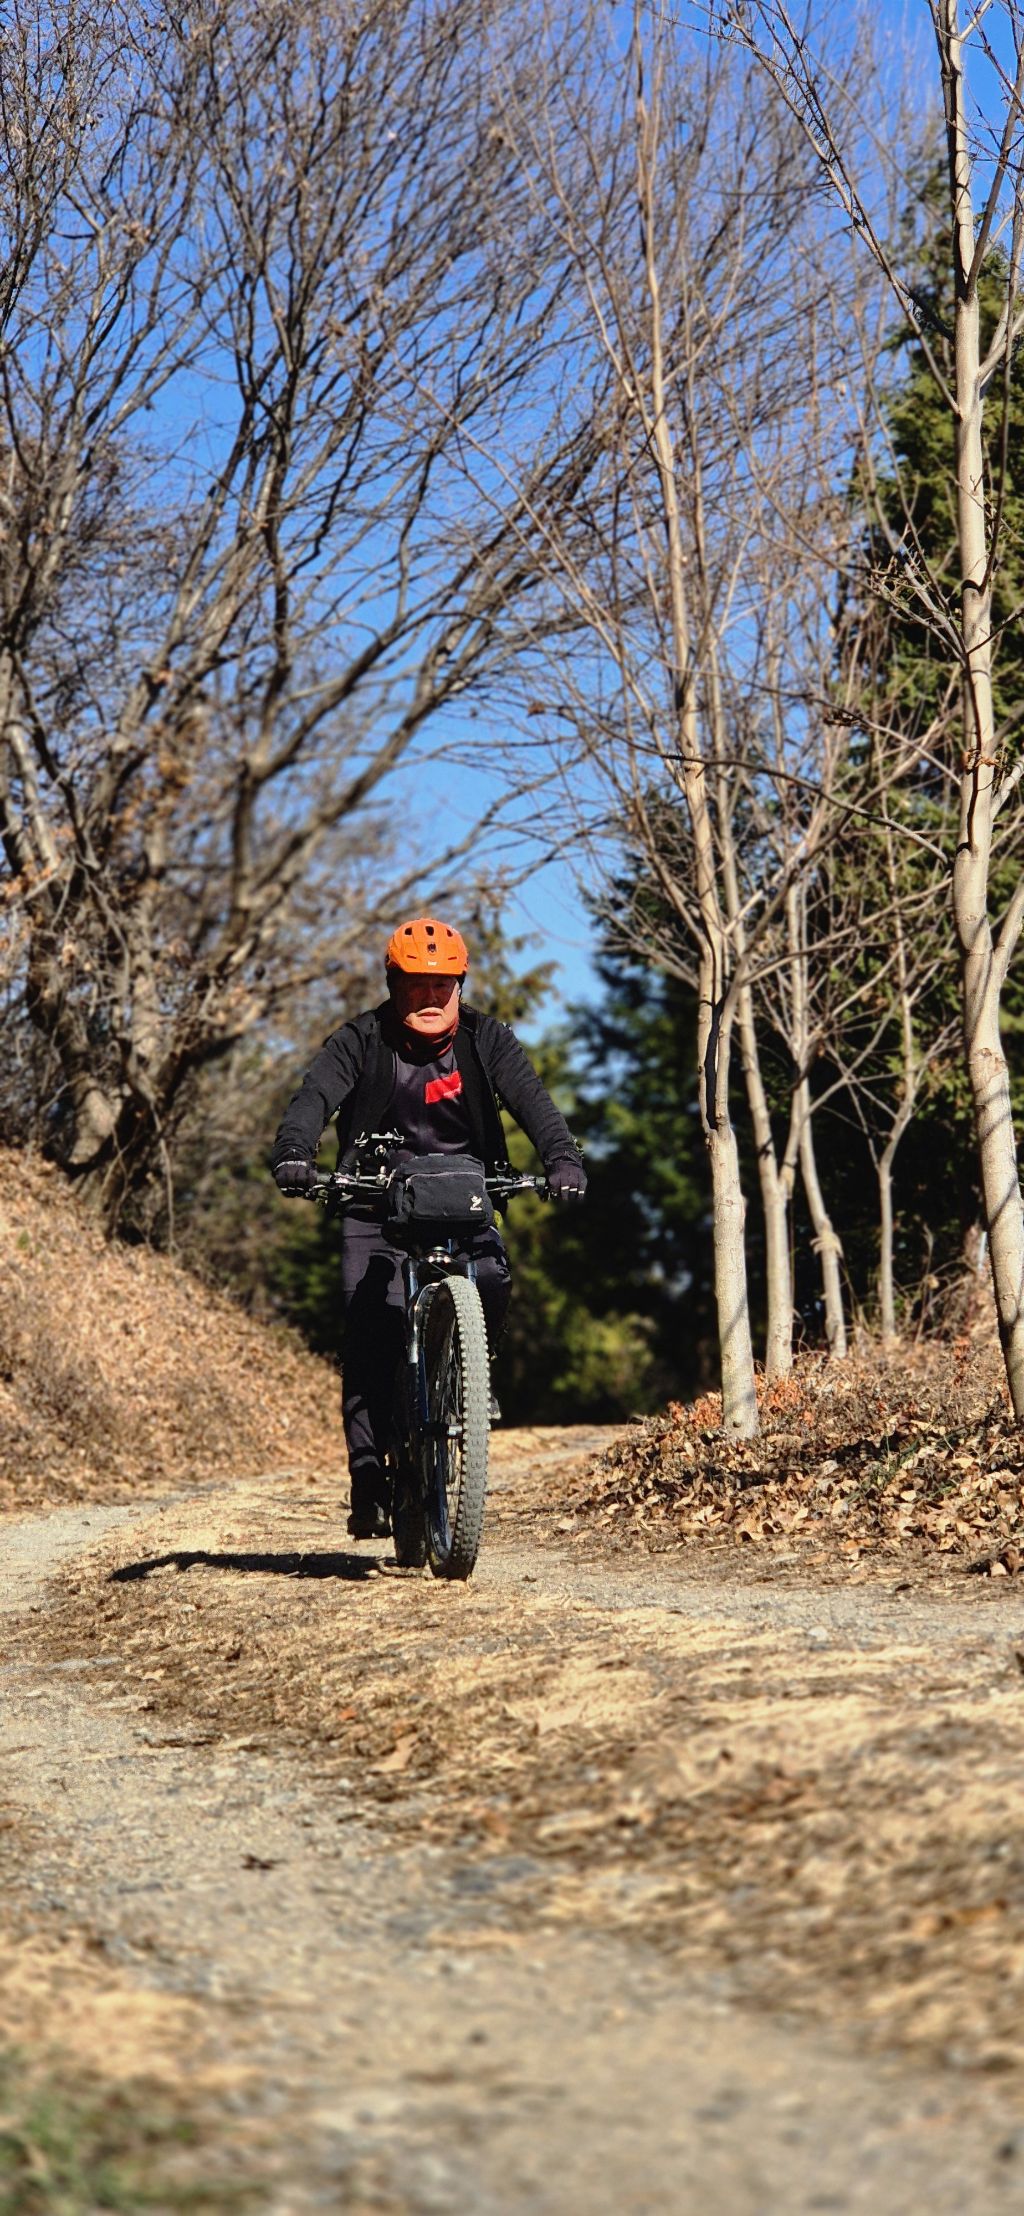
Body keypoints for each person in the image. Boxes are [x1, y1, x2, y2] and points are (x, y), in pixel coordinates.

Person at [271, 915, 587, 1537]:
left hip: (462, 1198)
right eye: (417, 984)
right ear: (393, 984)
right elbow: (312, 1100)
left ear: (460, 986)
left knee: (491, 1279)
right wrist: (294, 1153)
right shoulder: (360, 1040)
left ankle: (468, 1373)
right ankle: (369, 1476)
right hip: (374, 1203)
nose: (431, 996)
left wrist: (563, 1158)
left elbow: (534, 1102)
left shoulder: (487, 1039)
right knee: (371, 1331)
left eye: (444, 984)